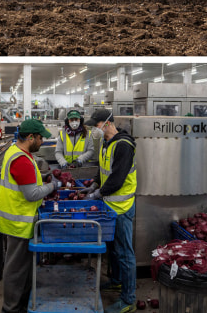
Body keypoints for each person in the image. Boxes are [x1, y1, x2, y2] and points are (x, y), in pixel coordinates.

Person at [0, 119, 56, 313]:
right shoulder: (21, 159)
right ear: (30, 137)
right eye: (40, 138)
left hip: (20, 219)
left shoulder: (19, 152)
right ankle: (10, 308)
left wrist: (43, 179)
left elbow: (28, 181)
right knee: (16, 269)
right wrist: (52, 186)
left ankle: (20, 303)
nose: (42, 142)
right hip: (18, 222)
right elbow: (31, 194)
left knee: (21, 267)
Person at [83, 109, 137, 313]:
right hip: (109, 206)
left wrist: (98, 193)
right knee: (113, 250)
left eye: (95, 126)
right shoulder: (108, 143)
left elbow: (117, 178)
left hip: (121, 207)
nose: (93, 130)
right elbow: (103, 168)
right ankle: (116, 280)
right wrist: (95, 183)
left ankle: (128, 299)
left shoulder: (124, 145)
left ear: (106, 123)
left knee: (125, 253)